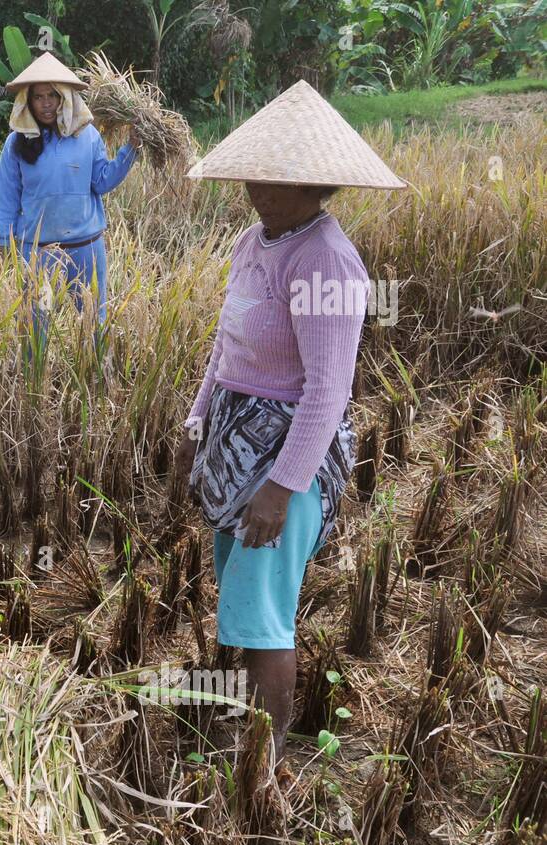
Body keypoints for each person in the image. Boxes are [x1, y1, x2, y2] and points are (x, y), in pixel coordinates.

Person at [175, 81, 406, 771]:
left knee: (263, 611)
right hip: (234, 444)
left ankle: (262, 764)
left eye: (275, 180)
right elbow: (226, 345)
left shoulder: (326, 261)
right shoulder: (256, 241)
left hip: (284, 458)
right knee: (243, 606)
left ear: (314, 186)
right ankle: (243, 733)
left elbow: (329, 389)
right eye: (255, 174)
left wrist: (282, 485)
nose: (257, 189)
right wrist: (196, 417)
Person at [0, 51, 139, 358]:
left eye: (53, 96)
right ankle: (34, 387)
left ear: (65, 99)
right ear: (27, 102)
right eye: (38, 97)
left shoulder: (87, 136)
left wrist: (130, 150)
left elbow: (102, 181)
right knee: (36, 323)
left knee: (93, 322)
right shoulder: (16, 144)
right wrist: (5, 240)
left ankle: (97, 384)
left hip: (85, 248)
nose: (46, 103)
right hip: (39, 253)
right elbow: (7, 195)